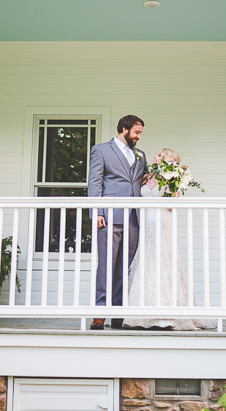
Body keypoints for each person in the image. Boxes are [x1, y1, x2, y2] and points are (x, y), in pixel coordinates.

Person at [124, 149, 216, 331]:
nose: (155, 155)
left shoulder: (171, 177)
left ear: (166, 159)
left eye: (159, 154)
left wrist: (172, 184)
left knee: (164, 261)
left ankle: (168, 314)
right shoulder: (147, 176)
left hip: (163, 222)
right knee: (147, 262)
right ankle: (142, 315)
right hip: (147, 224)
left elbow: (173, 204)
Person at [88, 114, 148, 330]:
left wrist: (171, 175)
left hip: (133, 217)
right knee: (106, 265)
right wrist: (97, 212)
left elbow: (144, 181)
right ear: (124, 129)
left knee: (125, 267)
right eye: (137, 132)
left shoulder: (140, 155)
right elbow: (94, 183)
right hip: (109, 216)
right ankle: (100, 314)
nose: (139, 137)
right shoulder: (101, 150)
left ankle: (118, 313)